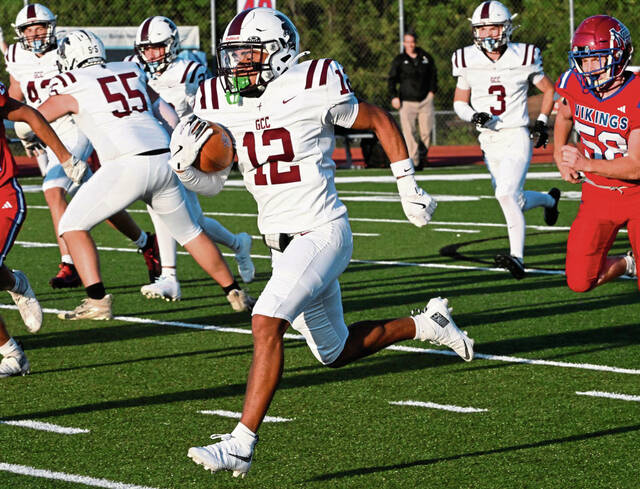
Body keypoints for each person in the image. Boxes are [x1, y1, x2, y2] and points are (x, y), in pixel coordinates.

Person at [175, 7, 473, 478]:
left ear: (278, 53)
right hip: (282, 242)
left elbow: (376, 118)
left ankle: (241, 443)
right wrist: (188, 167)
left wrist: (407, 185)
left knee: (265, 319)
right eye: (233, 55)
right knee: (333, 351)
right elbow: (214, 183)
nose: (237, 65)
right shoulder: (217, 97)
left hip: (322, 230)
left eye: (248, 54)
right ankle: (427, 325)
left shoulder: (312, 80)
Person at [36, 29, 254, 319]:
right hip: (164, 158)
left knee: (71, 226)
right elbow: (166, 112)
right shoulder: (129, 70)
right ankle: (234, 292)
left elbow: (33, 117)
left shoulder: (72, 82)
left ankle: (97, 300)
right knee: (191, 232)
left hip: (125, 163)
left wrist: (30, 132)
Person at [5, 3, 161, 289]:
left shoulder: (67, 47)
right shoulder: (16, 54)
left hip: (74, 127)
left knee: (53, 191)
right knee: (95, 194)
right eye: (30, 29)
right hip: (44, 132)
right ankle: (146, 242)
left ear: (51, 27)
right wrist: (27, 132)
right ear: (20, 33)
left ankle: (70, 263)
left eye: (41, 27)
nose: (36, 34)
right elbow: (17, 92)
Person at [127, 15, 255, 302]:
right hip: (157, 147)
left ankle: (170, 277)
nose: (151, 54)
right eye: (146, 48)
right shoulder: (133, 69)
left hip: (190, 149)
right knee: (190, 219)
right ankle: (237, 244)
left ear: (171, 45)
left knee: (165, 210)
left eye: (157, 47)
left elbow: (216, 102)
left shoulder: (190, 71)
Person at [452, 0, 560, 280]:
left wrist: (542, 122)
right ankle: (549, 200)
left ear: (507, 28)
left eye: (494, 27)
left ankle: (518, 258)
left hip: (516, 135)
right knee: (516, 200)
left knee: (504, 195)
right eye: (482, 28)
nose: (488, 34)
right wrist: (473, 115)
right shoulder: (467, 59)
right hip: (489, 141)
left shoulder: (522, 56)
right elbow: (460, 102)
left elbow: (550, 90)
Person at [0, 80, 85, 376]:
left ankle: (11, 353)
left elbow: (29, 114)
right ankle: (15, 283)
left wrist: (65, 157)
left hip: (2, 195)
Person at [554, 15, 639, 291]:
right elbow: (565, 114)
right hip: (599, 194)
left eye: (597, 59)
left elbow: (637, 166)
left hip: (637, 196)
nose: (589, 68)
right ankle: (629, 264)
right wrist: (558, 153)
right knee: (580, 281)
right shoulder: (575, 84)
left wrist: (585, 163)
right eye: (584, 59)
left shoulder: (636, 94)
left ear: (619, 54)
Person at [388, 31, 437, 169]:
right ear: (404, 43)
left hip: (425, 101)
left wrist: (432, 93)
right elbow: (392, 79)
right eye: (407, 42)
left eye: (412, 42)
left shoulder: (426, 57)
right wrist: (394, 96)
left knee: (426, 132)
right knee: (409, 133)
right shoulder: (399, 60)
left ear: (415, 42)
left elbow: (433, 76)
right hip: (407, 102)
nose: (410, 45)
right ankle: (414, 161)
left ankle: (422, 156)